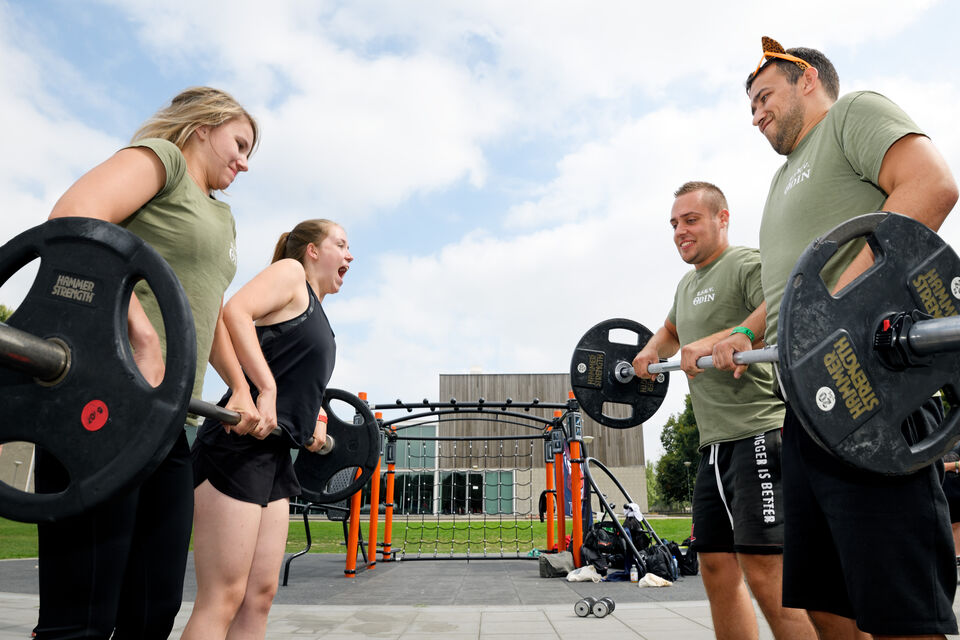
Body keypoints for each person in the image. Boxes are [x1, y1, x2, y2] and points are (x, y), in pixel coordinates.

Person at [711, 36, 959, 638]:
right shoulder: (779, 182)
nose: (755, 114)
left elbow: (931, 186)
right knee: (826, 603)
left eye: (764, 95)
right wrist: (746, 329)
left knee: (899, 609)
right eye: (750, 107)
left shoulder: (853, 115)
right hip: (807, 410)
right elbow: (797, 293)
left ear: (806, 79)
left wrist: (843, 313)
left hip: (871, 397)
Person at [35, 87, 261, 639]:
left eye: (251, 152)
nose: (245, 161)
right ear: (203, 126)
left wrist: (242, 388)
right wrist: (141, 333)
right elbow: (73, 219)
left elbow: (199, 319)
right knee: (83, 618)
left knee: (153, 611)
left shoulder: (223, 218)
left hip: (167, 420)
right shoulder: (163, 161)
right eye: (239, 142)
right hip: (103, 401)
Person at [632, 181, 816, 640]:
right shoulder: (687, 285)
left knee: (765, 570)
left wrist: (729, 336)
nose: (680, 231)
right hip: (713, 445)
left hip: (759, 432)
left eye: (690, 220)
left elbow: (778, 304)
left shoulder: (746, 263)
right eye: (674, 224)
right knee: (714, 566)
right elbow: (672, 329)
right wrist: (650, 351)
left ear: (722, 218)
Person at [182, 219, 352, 639]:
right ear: (312, 250)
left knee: (260, 596)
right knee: (224, 595)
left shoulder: (316, 309)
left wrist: (311, 419)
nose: (350, 255)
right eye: (342, 245)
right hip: (236, 445)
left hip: (276, 453)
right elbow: (233, 311)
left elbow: (297, 373)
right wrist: (264, 387)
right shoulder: (291, 274)